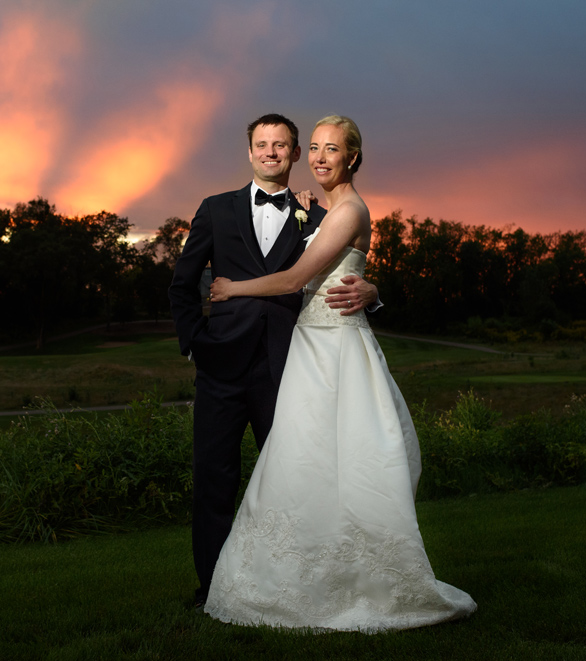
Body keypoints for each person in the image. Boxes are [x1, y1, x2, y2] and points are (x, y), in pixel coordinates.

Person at [203, 115, 476, 631]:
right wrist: (367, 283)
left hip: (336, 353)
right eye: (315, 148)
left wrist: (231, 288)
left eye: (333, 149)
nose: (322, 157)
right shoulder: (324, 211)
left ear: (353, 156)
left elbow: (299, 277)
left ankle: (357, 581)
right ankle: (307, 574)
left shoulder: (349, 210)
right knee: (304, 464)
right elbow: (335, 266)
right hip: (308, 348)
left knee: (344, 463)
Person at [168, 113, 380, 609]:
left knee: (291, 484)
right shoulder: (215, 209)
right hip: (220, 367)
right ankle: (214, 589)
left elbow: (347, 266)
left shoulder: (321, 214)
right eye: (261, 144)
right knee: (214, 481)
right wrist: (197, 343)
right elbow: (182, 283)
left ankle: (289, 585)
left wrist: (374, 292)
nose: (270, 152)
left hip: (288, 370)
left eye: (281, 145)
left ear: (294, 153)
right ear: (249, 152)